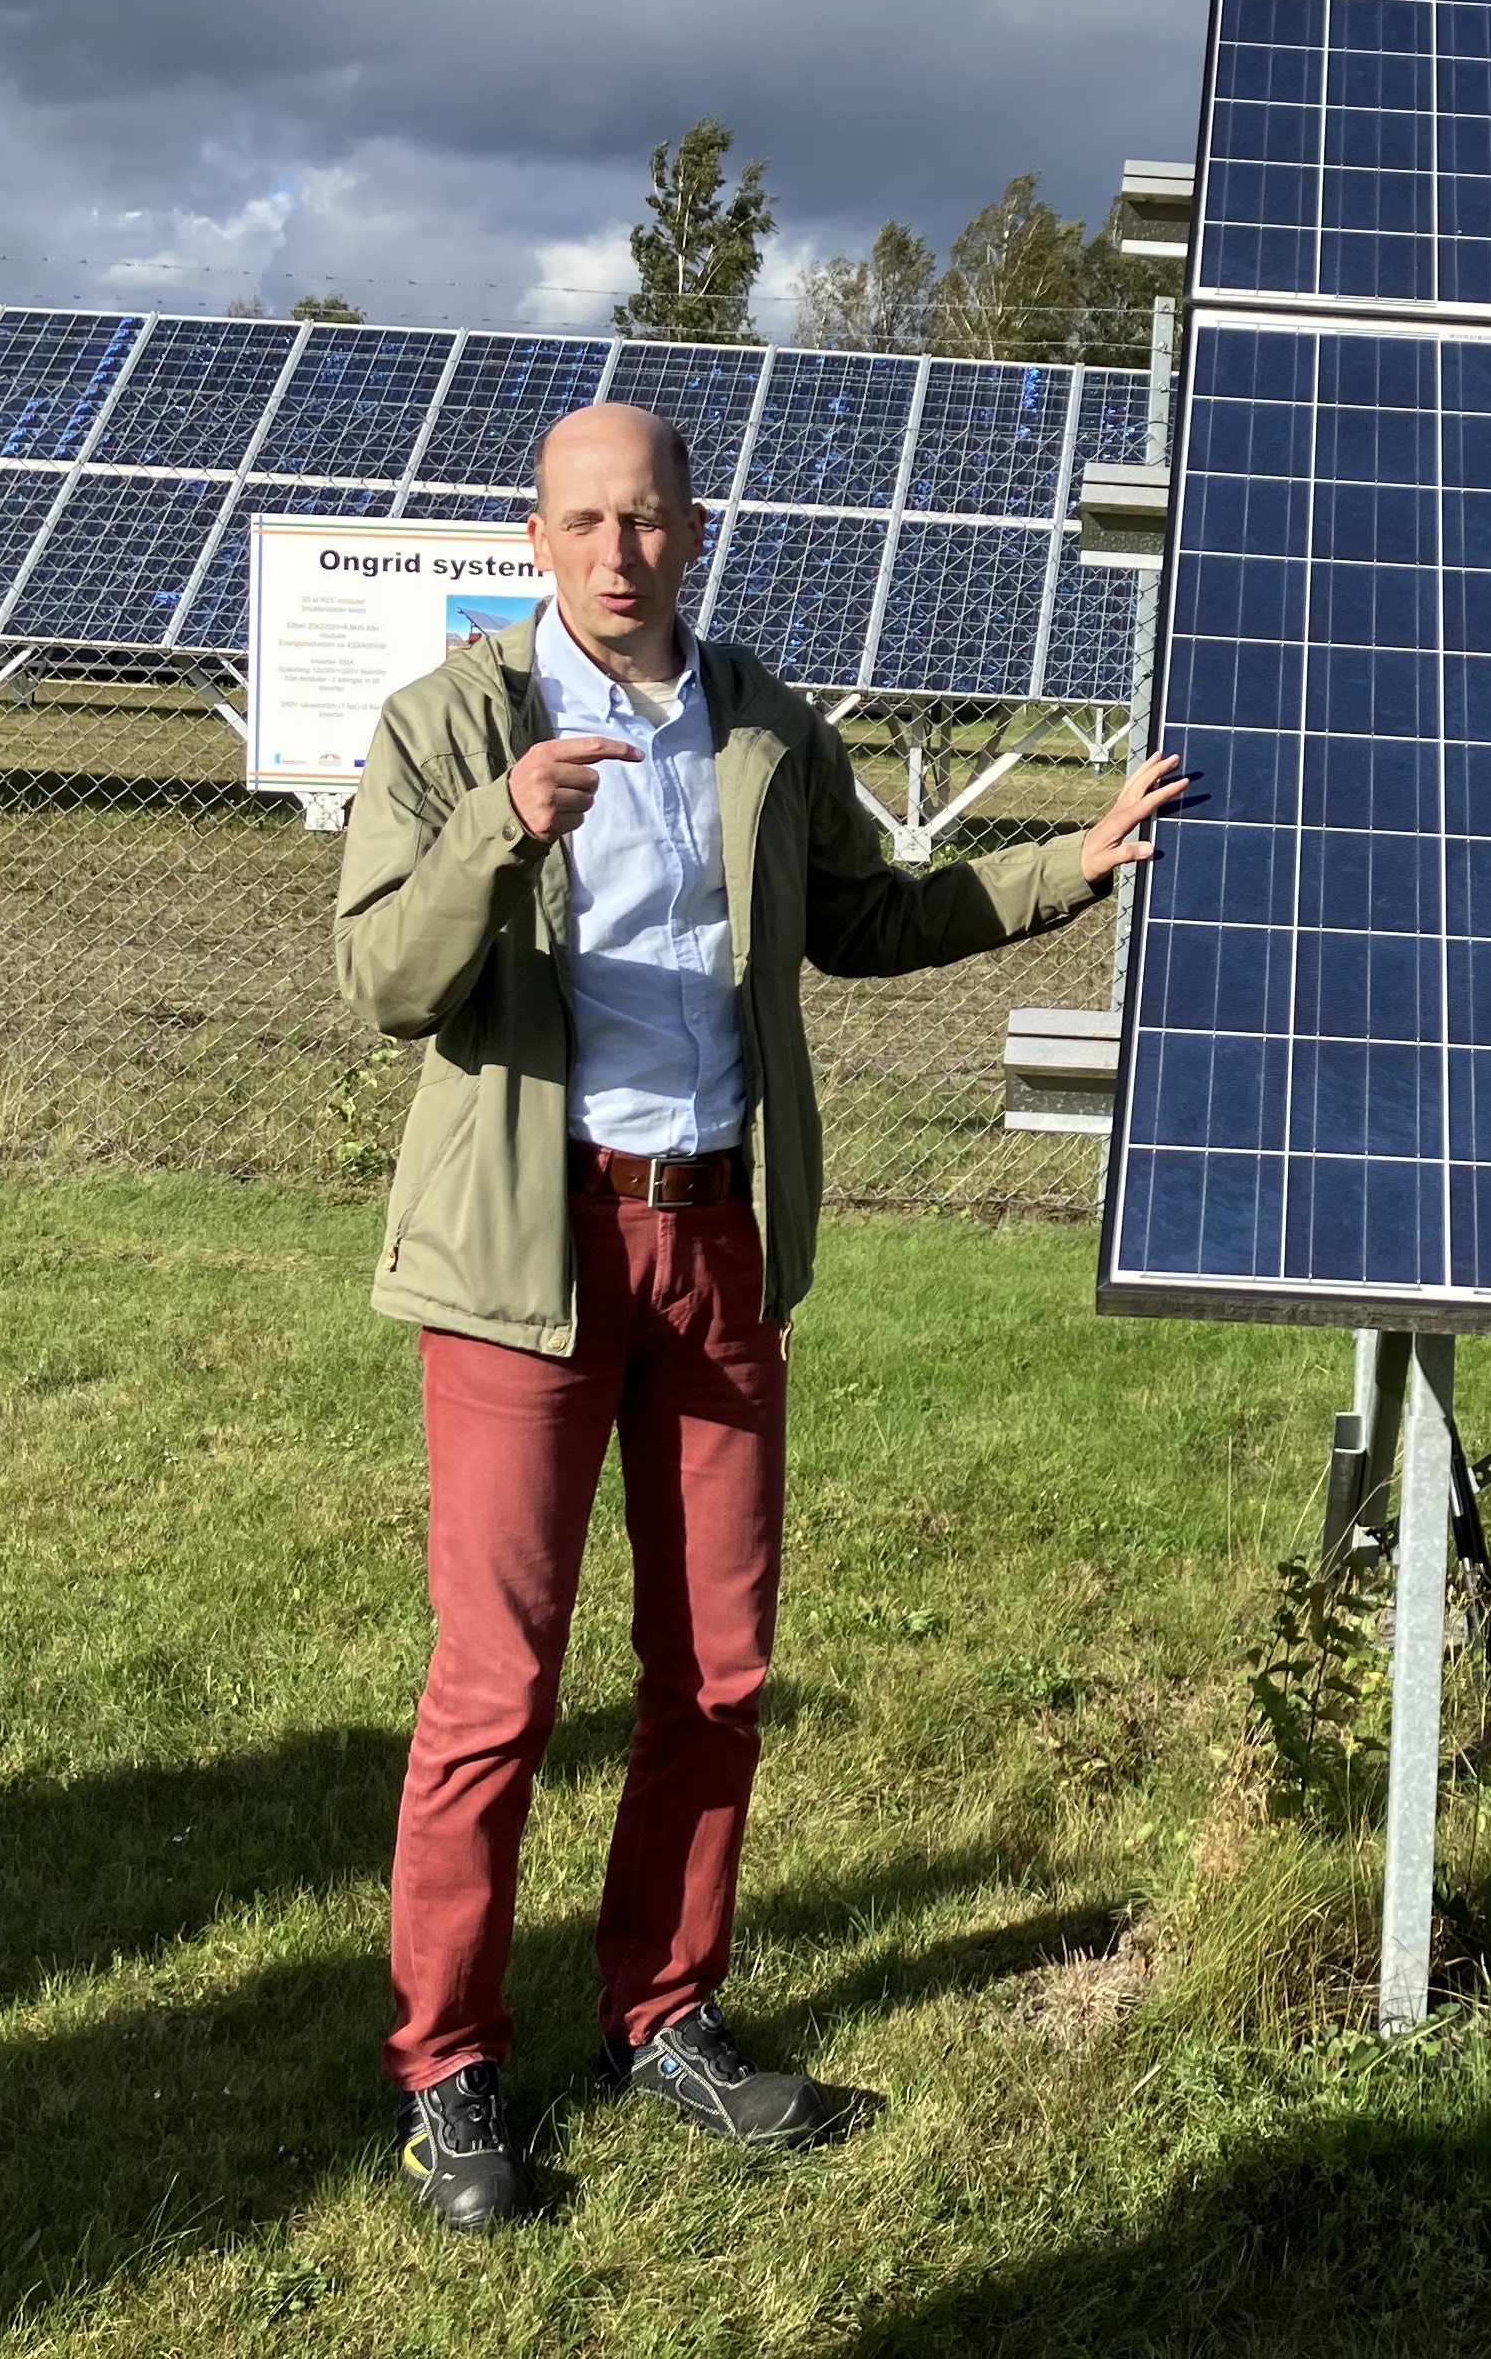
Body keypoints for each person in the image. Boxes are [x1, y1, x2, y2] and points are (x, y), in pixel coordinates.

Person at [332, 400, 1185, 2230]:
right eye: (583, 521)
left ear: (693, 531)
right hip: (520, 1259)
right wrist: (501, 829)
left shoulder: (767, 724)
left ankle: (667, 2011)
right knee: (497, 1687)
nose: (616, 551)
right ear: (537, 536)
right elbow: (388, 977)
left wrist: (1073, 863)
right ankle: (451, 2072)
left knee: (714, 1675)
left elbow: (871, 920)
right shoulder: (453, 727)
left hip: (714, 1243)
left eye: (646, 519)